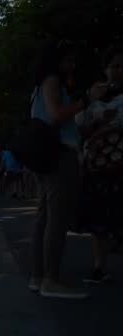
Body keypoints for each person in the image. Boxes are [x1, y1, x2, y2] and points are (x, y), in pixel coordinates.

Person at [29, 40, 88, 299]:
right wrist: (86, 101)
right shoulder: (52, 81)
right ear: (56, 61)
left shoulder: (39, 86)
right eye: (68, 60)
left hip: (44, 155)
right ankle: (51, 280)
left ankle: (38, 276)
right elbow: (56, 115)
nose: (71, 65)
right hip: (59, 154)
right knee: (57, 218)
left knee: (44, 217)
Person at [77, 45, 123, 284]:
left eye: (121, 66)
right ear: (105, 69)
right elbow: (79, 126)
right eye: (113, 66)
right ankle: (99, 266)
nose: (117, 71)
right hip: (98, 165)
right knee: (99, 219)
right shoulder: (95, 93)